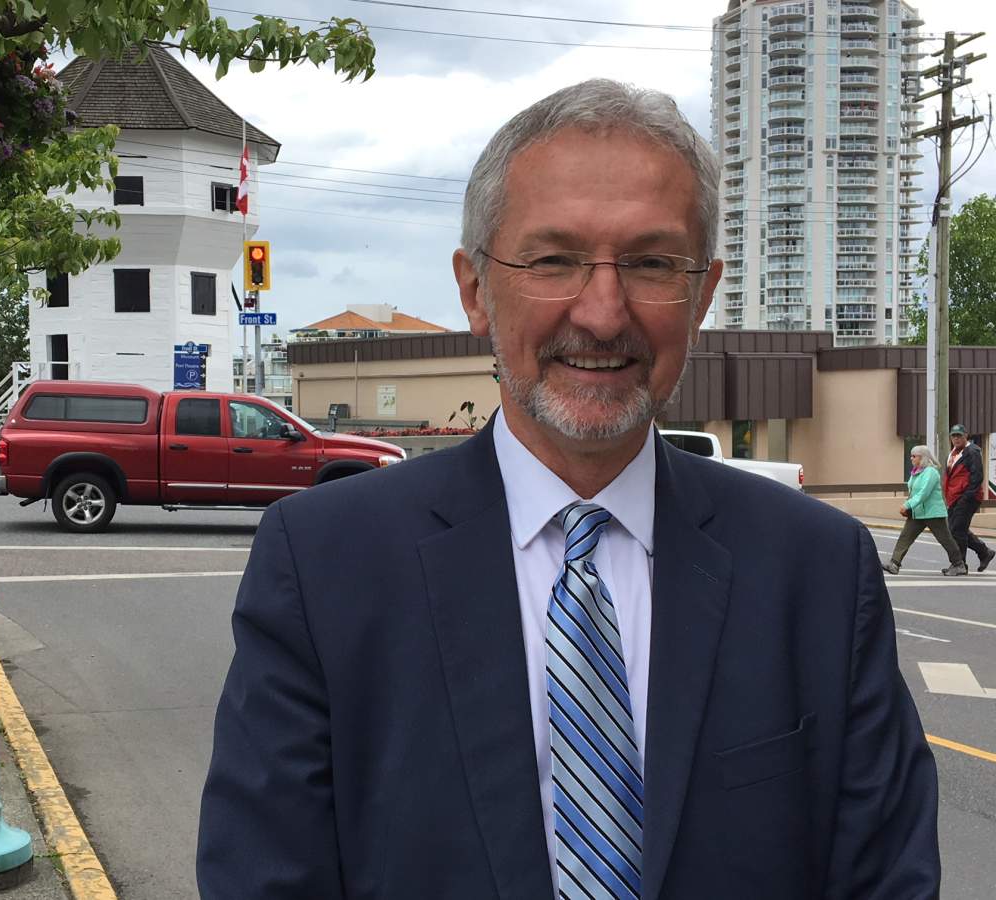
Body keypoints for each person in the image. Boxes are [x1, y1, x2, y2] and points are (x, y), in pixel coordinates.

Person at [197, 80, 939, 899]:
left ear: (702, 296)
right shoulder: (324, 565)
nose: (602, 311)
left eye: (653, 263)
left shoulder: (819, 572)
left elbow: (884, 877)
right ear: (475, 290)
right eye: (554, 260)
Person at [882, 445, 966, 576]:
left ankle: (958, 564)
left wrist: (907, 505)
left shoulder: (931, 472)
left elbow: (923, 493)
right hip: (918, 512)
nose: (911, 458)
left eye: (914, 456)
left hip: (933, 513)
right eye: (911, 456)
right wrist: (909, 506)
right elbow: (913, 492)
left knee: (945, 539)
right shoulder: (916, 472)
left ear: (922, 457)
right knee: (905, 537)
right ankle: (894, 563)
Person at [943, 423, 995, 573]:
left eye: (959, 435)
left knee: (956, 530)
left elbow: (977, 476)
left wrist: (966, 497)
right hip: (953, 497)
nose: (956, 438)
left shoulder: (972, 451)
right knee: (958, 529)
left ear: (966, 436)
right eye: (953, 435)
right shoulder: (952, 453)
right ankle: (985, 552)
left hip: (967, 497)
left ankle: (960, 565)